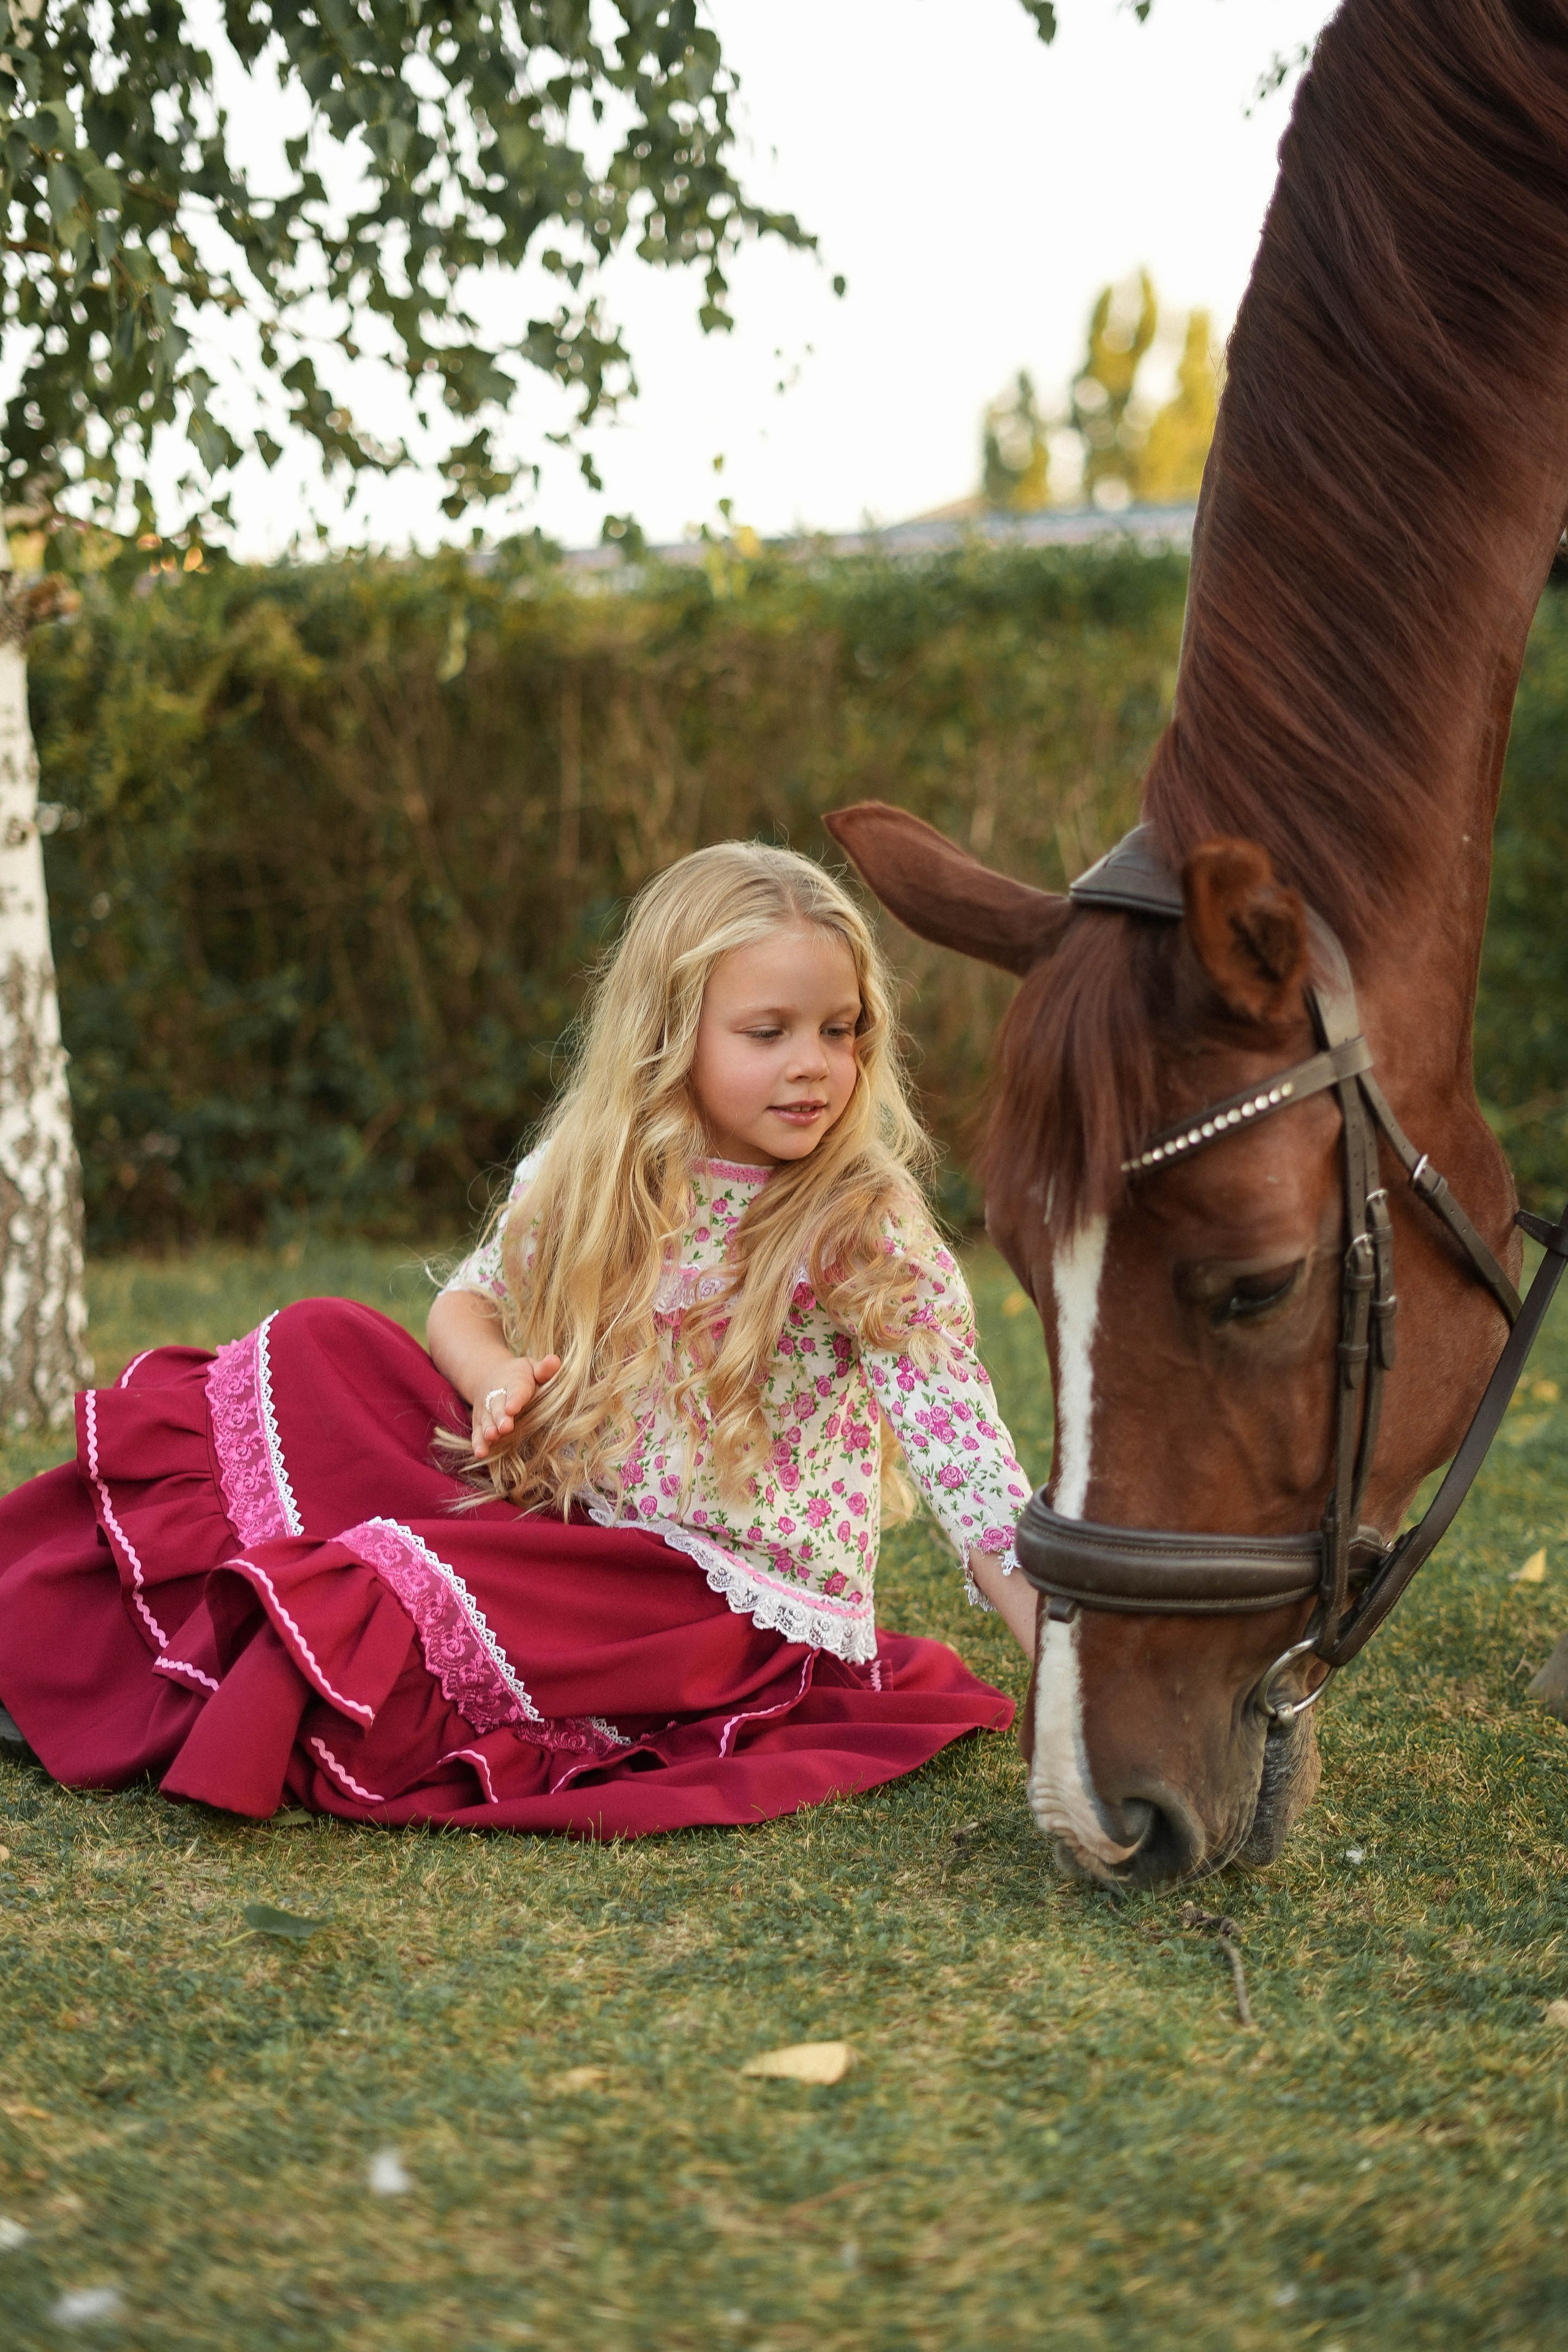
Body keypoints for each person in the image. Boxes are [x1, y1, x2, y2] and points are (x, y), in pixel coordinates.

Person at [0, 843, 1036, 1832]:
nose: (814, 1065)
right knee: (318, 1346)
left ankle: (184, 1701)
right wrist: (496, 1377)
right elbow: (466, 1304)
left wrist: (1068, 1668)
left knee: (387, 1577)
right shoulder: (594, 1171)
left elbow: (976, 1486)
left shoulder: (863, 1230)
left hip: (723, 1620)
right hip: (575, 1520)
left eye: (840, 1030)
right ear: (671, 1031)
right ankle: (54, 1646)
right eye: (769, 1032)